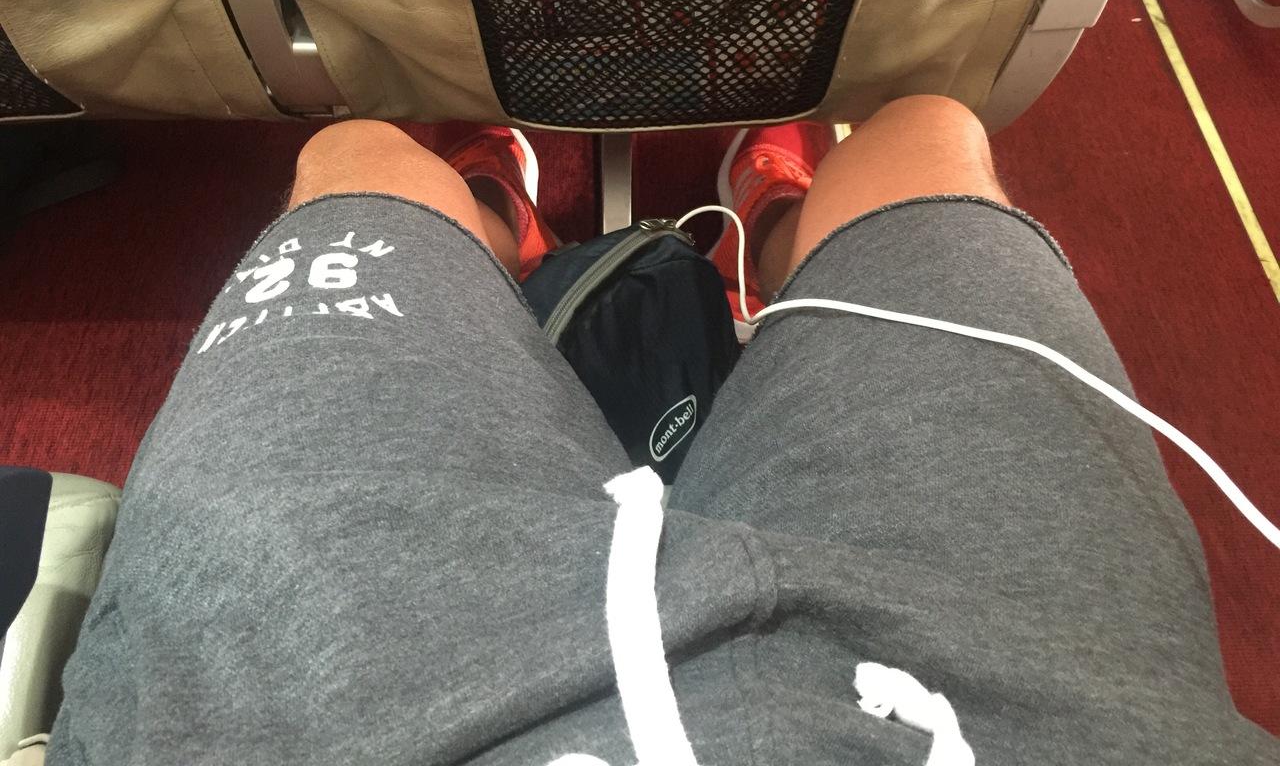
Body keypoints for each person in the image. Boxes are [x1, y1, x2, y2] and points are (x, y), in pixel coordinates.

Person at [35, 97, 1276, 765]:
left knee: (357, 155)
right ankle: (771, 228)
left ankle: (494, 217)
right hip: (1046, 714)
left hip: (317, 707)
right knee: (923, 139)